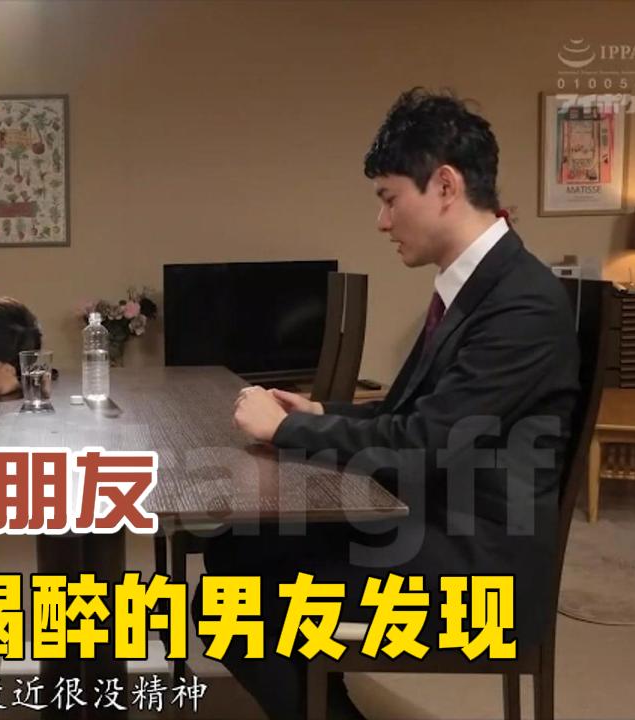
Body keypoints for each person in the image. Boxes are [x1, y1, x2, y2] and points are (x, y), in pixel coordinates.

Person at [216, 89, 580, 719]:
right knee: (235, 548)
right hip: (437, 522)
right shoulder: (479, 285)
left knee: (235, 600)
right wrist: (319, 414)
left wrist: (285, 433)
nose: (382, 222)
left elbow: (420, 445)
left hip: (476, 576)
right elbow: (412, 416)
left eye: (389, 199)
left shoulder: (521, 303)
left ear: (445, 186)